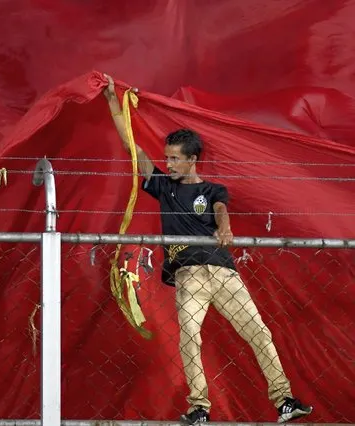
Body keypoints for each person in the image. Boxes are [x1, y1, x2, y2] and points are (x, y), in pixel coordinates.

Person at [102, 74, 313, 424]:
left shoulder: (213, 190)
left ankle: (284, 401)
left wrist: (226, 226)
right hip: (189, 276)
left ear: (192, 159)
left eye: (174, 158)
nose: (167, 163)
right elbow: (131, 147)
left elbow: (219, 209)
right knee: (189, 336)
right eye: (166, 157)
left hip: (224, 272)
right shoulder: (163, 187)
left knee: (259, 332)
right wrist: (112, 100)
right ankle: (199, 408)